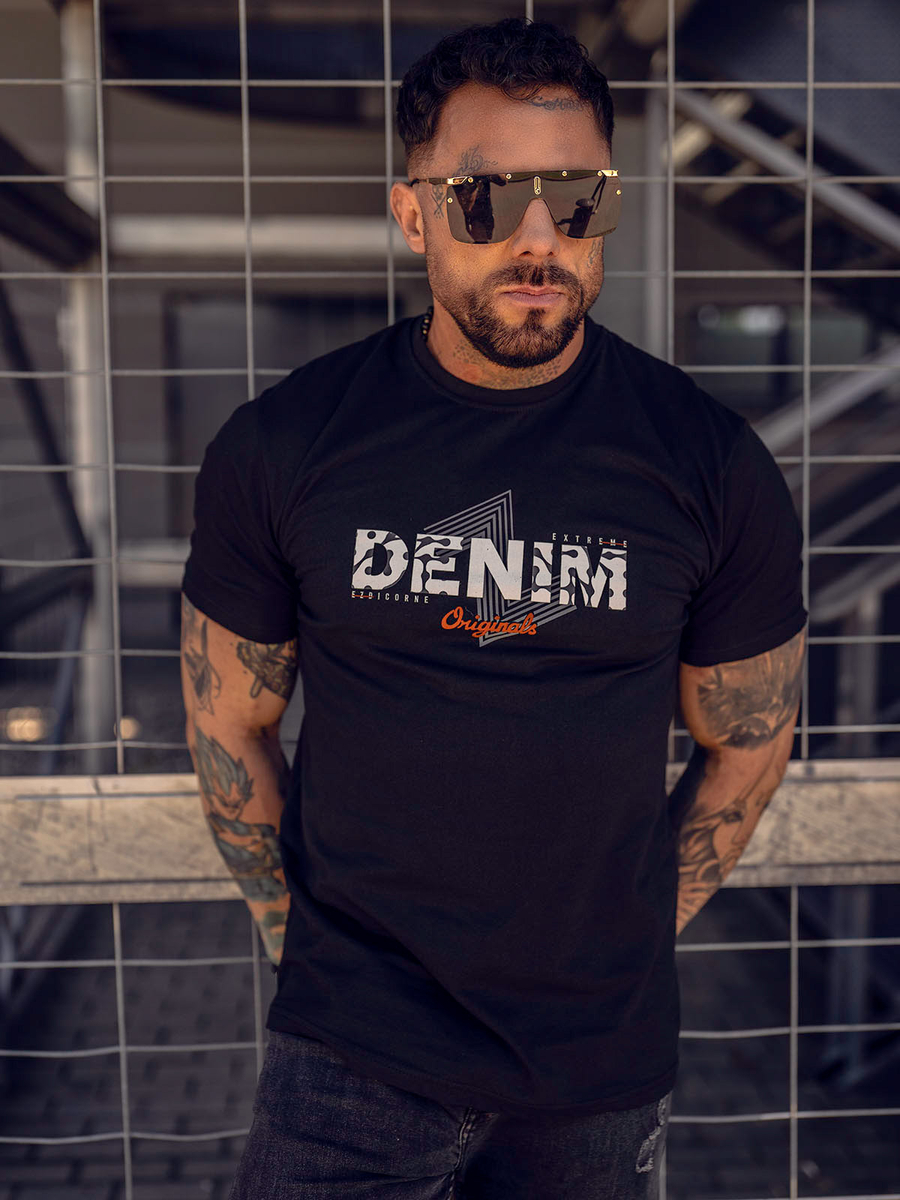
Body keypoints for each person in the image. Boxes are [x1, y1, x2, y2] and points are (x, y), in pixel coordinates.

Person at [179, 17, 807, 1200]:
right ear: (413, 214)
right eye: (486, 198)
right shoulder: (286, 444)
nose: (537, 240)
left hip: (595, 1073)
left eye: (575, 199)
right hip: (348, 1060)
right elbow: (229, 724)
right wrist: (298, 940)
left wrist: (631, 935)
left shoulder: (711, 463)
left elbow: (749, 743)